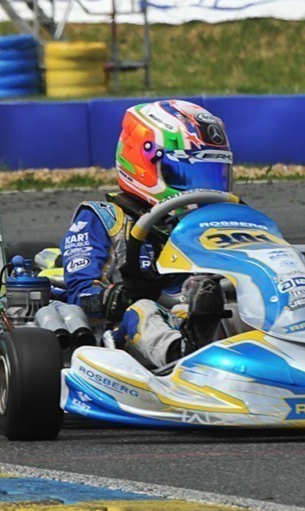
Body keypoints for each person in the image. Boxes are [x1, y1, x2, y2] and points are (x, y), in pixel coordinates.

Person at [61, 100, 233, 369]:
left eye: (214, 176)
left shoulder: (217, 223)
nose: (204, 189)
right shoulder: (103, 219)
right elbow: (80, 296)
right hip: (127, 342)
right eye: (188, 176)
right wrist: (123, 295)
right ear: (144, 163)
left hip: (203, 317)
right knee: (143, 310)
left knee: (240, 307)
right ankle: (180, 354)